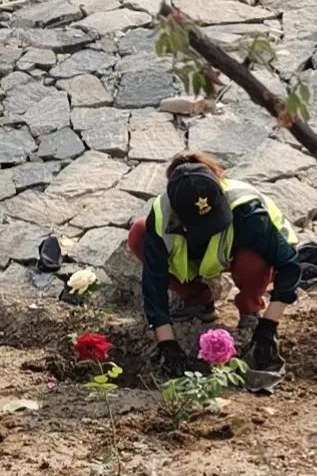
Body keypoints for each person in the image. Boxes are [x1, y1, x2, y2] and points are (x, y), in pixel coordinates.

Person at [127, 151, 302, 378]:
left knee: (253, 263)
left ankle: (250, 309)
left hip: (241, 251)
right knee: (138, 234)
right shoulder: (161, 217)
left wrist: (268, 328)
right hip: (192, 256)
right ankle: (197, 300)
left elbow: (289, 265)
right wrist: (167, 343)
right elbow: (154, 283)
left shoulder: (246, 211)